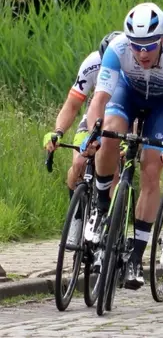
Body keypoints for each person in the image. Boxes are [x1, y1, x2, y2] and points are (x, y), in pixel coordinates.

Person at [80, 2, 163, 289]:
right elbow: (99, 99)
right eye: (136, 45)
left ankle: (136, 257)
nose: (142, 52)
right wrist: (93, 134)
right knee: (110, 132)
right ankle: (101, 208)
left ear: (162, 40)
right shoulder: (117, 49)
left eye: (149, 46)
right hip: (128, 95)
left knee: (151, 168)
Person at [43, 31, 123, 246]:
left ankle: (111, 227)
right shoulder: (92, 63)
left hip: (125, 117)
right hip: (95, 116)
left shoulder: (133, 66)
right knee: (79, 161)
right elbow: (72, 105)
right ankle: (77, 218)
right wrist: (58, 132)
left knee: (113, 170)